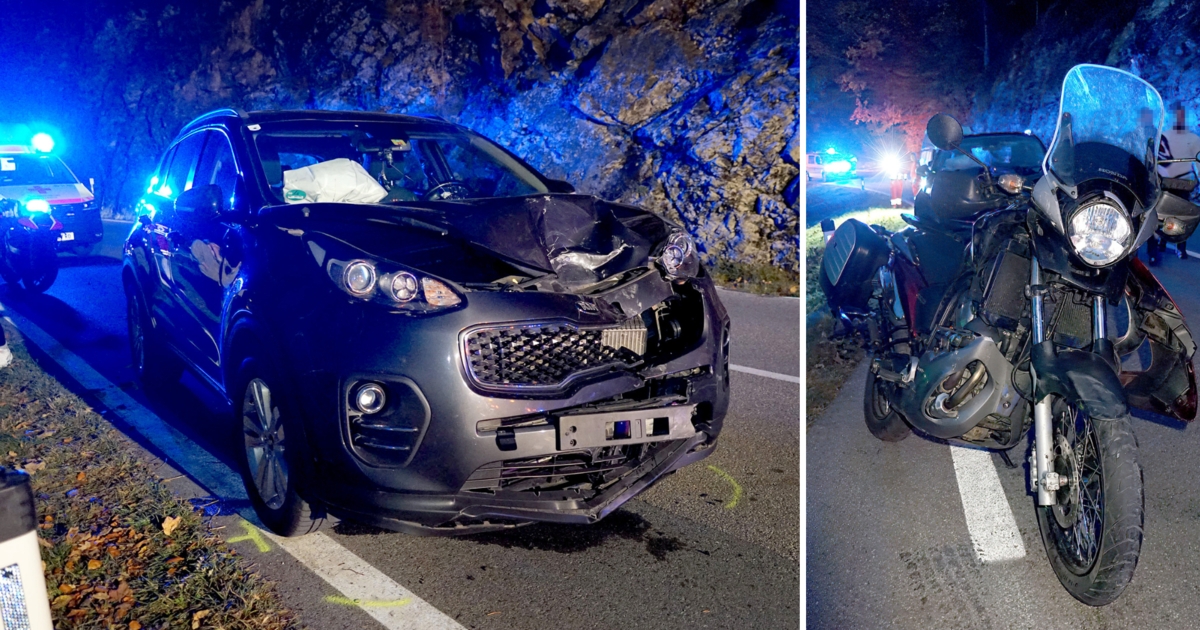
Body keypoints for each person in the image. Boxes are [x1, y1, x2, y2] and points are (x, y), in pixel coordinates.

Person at [1155, 102, 1200, 262]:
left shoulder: (1194, 139)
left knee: (1182, 215)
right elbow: (1158, 158)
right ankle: (1161, 241)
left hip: (1184, 183)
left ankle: (1181, 247)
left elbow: (1197, 160)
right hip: (1166, 182)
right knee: (1164, 212)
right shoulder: (1165, 136)